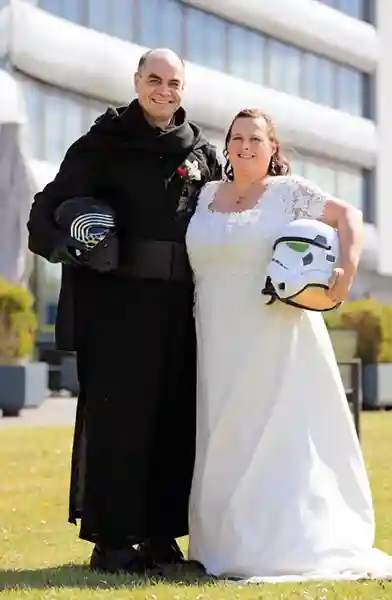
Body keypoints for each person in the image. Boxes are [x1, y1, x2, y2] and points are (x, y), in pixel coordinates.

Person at [186, 108, 392, 582]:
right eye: (237, 138)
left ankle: (285, 544)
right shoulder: (205, 195)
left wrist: (345, 274)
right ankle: (224, 544)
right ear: (227, 146)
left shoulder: (288, 192)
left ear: (272, 148)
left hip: (278, 334)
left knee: (276, 432)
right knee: (223, 432)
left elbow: (348, 216)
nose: (245, 146)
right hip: (216, 335)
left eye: (255, 138)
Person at [27, 48, 222, 574]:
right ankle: (112, 542)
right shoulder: (101, 144)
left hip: (181, 310)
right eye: (154, 79)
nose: (164, 90)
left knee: (174, 421)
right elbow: (44, 210)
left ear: (183, 89)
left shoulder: (202, 152)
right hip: (115, 308)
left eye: (174, 83)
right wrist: (70, 246)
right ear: (137, 81)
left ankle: (161, 537)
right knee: (119, 421)